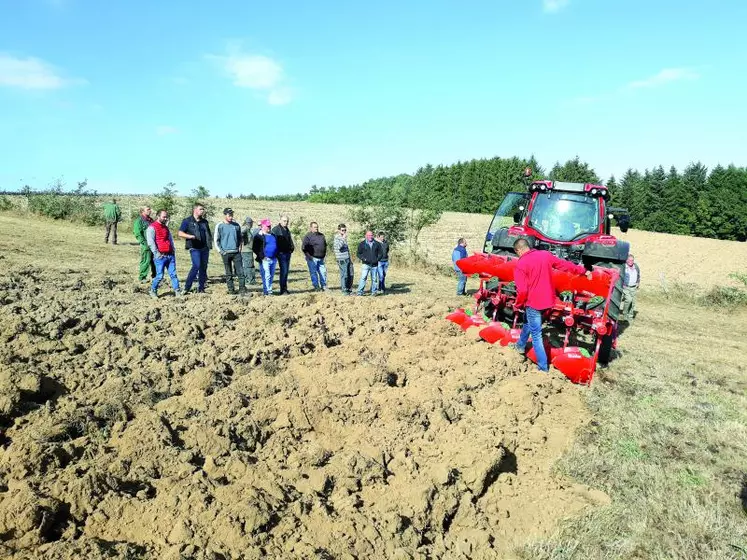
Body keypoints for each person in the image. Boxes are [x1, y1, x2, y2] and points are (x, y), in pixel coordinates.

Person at [511, 238, 591, 373]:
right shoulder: (545, 255)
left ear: (519, 250)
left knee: (536, 335)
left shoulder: (521, 264)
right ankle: (520, 345)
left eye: (516, 252)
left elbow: (523, 290)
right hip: (548, 302)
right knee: (527, 321)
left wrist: (518, 304)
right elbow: (564, 265)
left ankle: (543, 367)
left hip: (533, 303)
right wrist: (583, 271)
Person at [146, 209, 182, 299]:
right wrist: (156, 253)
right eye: (164, 217)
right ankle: (153, 290)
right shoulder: (152, 227)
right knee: (159, 276)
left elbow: (170, 239)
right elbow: (151, 242)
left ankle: (177, 291)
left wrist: (173, 249)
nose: (166, 218)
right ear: (158, 216)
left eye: (166, 217)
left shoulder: (166, 228)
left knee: (173, 274)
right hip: (160, 256)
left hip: (170, 255)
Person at [178, 203, 212, 294]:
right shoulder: (187, 221)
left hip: (205, 248)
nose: (202, 211)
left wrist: (209, 244)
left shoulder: (204, 222)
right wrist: (190, 236)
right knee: (196, 266)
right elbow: (180, 233)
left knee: (203, 268)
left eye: (203, 209)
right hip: (194, 248)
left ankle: (201, 288)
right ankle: (187, 287)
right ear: (195, 210)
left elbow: (208, 234)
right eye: (201, 209)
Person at [215, 208, 247, 295]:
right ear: (225, 215)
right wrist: (221, 251)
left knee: (241, 272)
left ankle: (242, 289)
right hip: (225, 253)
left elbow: (240, 238)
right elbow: (216, 240)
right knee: (228, 273)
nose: (231, 217)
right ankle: (231, 290)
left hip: (236, 252)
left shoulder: (236, 225)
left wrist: (240, 247)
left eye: (232, 215)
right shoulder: (220, 226)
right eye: (229, 215)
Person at [271, 214, 295, 295]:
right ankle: (283, 290)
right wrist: (276, 252)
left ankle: (284, 289)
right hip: (281, 254)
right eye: (284, 221)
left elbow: (289, 240)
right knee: (284, 271)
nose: (286, 222)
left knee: (286, 271)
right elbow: (273, 242)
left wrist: (292, 248)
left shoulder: (287, 229)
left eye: (287, 221)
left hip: (287, 253)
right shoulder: (276, 230)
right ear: (280, 221)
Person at [253, 219, 277, 295]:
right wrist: (262, 257)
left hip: (273, 259)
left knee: (271, 275)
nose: (269, 227)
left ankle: (268, 289)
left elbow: (276, 245)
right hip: (265, 259)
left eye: (269, 226)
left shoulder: (273, 235)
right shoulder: (259, 236)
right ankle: (267, 291)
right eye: (267, 226)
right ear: (263, 226)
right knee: (267, 275)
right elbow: (255, 248)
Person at [356, 230, 384, 296]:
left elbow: (381, 253)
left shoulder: (377, 244)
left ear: (373, 236)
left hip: (374, 265)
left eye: (371, 235)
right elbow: (358, 254)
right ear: (366, 236)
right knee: (363, 278)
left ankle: (373, 292)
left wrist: (377, 259)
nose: (370, 237)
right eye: (368, 235)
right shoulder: (362, 244)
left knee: (374, 279)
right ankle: (360, 292)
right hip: (365, 264)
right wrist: (364, 259)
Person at [302, 221, 328, 291]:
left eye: (317, 227)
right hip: (312, 258)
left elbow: (325, 245)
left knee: (323, 272)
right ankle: (316, 287)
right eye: (315, 227)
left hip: (321, 258)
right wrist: (309, 257)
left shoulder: (321, 235)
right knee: (313, 273)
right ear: (311, 228)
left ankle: (324, 286)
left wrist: (325, 255)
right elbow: (304, 248)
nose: (316, 228)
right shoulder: (308, 236)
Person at [133, 205, 156, 283]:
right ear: (142, 211)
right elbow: (137, 234)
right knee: (146, 260)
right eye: (148, 209)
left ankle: (155, 276)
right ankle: (142, 277)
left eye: (150, 209)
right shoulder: (138, 221)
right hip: (146, 245)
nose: (150, 211)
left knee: (155, 261)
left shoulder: (151, 220)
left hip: (154, 244)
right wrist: (144, 243)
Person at [333, 223, 354, 295]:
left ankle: (349, 289)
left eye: (345, 230)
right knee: (344, 275)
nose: (344, 232)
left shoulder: (343, 238)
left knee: (350, 274)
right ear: (339, 230)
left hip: (347, 258)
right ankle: (344, 290)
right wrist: (343, 238)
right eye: (342, 230)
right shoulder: (337, 238)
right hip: (342, 260)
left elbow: (346, 249)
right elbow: (339, 247)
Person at [621, 254, 640, 321]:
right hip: (626, 287)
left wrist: (638, 282)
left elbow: (638, 275)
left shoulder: (636, 266)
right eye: (629, 260)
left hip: (634, 287)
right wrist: (621, 284)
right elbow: (620, 276)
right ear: (626, 260)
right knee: (629, 300)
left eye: (632, 260)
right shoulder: (623, 267)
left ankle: (630, 316)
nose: (630, 262)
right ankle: (625, 314)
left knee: (633, 302)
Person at [240, 217, 257, 285]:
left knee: (249, 266)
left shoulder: (248, 229)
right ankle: (250, 280)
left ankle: (249, 280)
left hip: (248, 250)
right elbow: (240, 233)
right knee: (249, 266)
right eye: (251, 223)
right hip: (246, 250)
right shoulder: (245, 228)